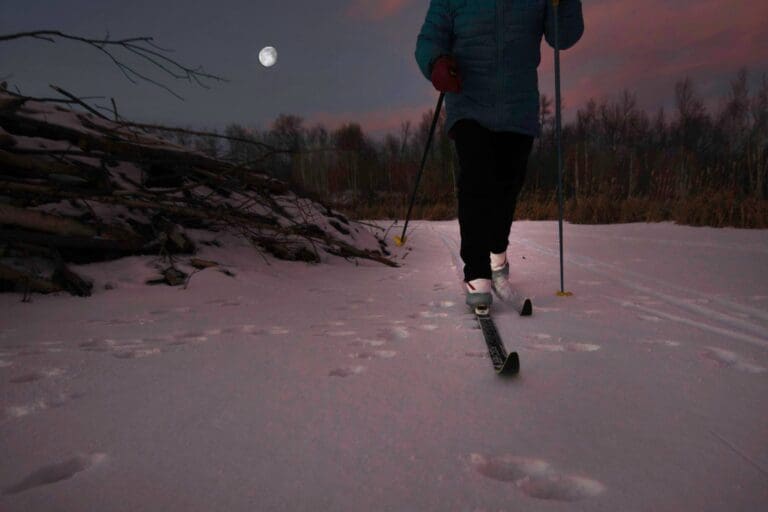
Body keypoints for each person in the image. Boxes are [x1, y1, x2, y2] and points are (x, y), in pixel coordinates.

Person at [415, 0, 584, 309]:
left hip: (518, 106)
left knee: (507, 186)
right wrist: (436, 63)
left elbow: (564, 37)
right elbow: (429, 38)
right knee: (477, 179)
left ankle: (497, 258)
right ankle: (477, 273)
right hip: (468, 101)